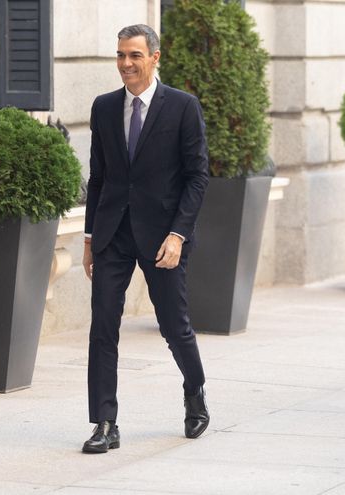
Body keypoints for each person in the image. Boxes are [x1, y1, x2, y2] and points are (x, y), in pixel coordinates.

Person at [81, 24, 210, 453]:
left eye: (134, 55)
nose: (125, 64)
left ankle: (195, 391)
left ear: (155, 57)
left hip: (162, 237)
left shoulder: (182, 107)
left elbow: (196, 177)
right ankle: (104, 422)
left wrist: (178, 234)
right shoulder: (103, 108)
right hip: (113, 234)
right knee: (103, 327)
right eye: (120, 55)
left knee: (175, 326)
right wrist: (88, 238)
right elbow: (98, 178)